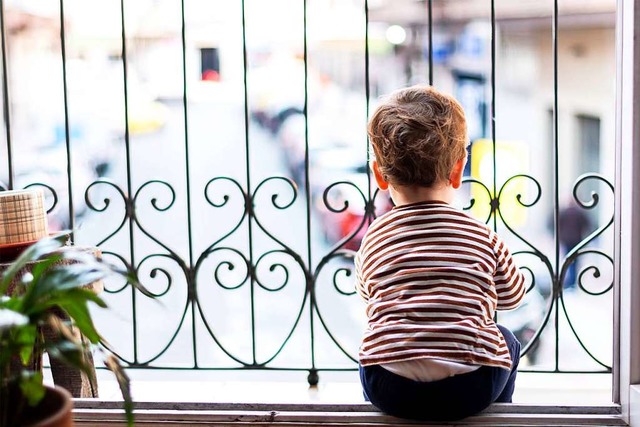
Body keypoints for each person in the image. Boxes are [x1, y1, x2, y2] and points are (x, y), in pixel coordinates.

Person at [355, 85, 526, 422]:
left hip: (390, 388)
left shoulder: (375, 237)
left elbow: (368, 294)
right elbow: (512, 297)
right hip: (471, 389)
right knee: (508, 340)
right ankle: (499, 414)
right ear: (459, 169)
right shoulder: (481, 234)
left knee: (373, 338)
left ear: (379, 175)